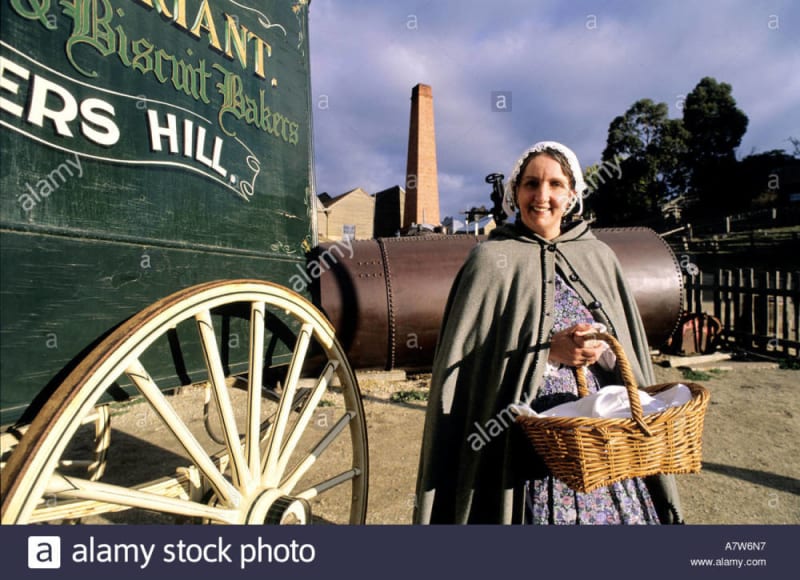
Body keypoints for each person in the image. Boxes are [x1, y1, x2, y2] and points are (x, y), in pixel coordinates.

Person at [413, 141, 683, 525]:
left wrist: (601, 347)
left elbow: (627, 353)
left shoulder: (598, 257)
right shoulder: (489, 260)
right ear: (515, 192)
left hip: (599, 439)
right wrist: (547, 352)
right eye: (531, 184)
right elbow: (466, 364)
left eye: (555, 184)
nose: (542, 196)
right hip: (521, 437)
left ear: (572, 195)